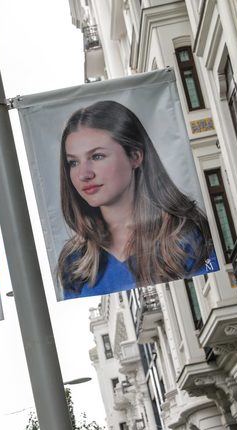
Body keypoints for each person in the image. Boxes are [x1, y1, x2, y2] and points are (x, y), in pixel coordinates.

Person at [57, 100, 217, 298]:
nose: (84, 174)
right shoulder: (75, 261)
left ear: (135, 156)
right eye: (73, 162)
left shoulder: (184, 235)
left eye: (97, 156)